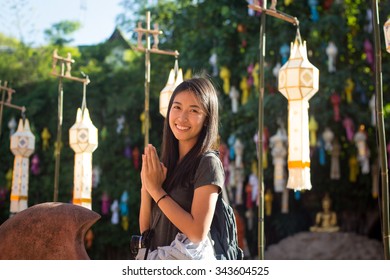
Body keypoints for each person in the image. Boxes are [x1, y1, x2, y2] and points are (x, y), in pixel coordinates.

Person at [138, 76, 225, 260]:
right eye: (177, 107)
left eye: (194, 110)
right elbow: (146, 231)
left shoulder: (208, 163)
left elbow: (197, 233)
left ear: (207, 119)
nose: (182, 118)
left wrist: (156, 190)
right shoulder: (165, 165)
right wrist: (146, 186)